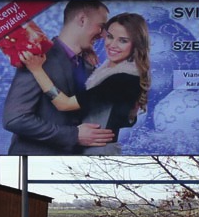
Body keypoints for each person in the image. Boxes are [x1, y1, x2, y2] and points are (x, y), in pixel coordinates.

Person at [21, 12, 151, 155]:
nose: (112, 45)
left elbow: (65, 104)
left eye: (123, 40)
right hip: (88, 149)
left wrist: (37, 70)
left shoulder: (123, 79)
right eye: (110, 37)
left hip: (98, 152)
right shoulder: (110, 72)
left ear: (136, 44)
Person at [2, 0, 113, 155]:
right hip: (36, 162)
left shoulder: (90, 66)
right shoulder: (37, 58)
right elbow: (15, 119)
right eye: (101, 27)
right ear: (82, 20)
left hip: (74, 166)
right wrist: (73, 135)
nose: (103, 35)